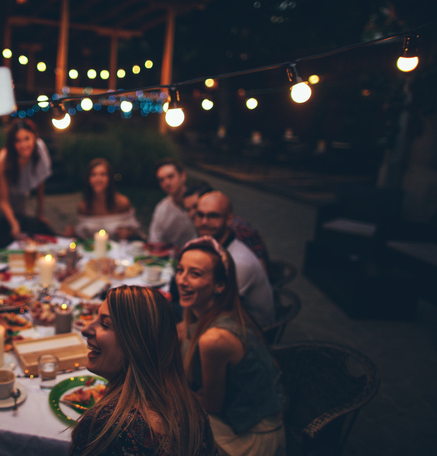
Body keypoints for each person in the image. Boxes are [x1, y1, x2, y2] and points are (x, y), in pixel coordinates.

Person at [71, 286, 217, 456]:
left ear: (137, 345)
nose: (85, 329)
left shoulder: (106, 425)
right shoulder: (191, 409)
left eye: (105, 324)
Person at [176, 237, 285, 455]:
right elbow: (177, 333)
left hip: (249, 438)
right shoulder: (204, 313)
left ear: (220, 285)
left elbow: (211, 405)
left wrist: (165, 386)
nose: (181, 280)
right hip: (235, 419)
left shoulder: (214, 339)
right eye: (180, 270)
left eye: (195, 274)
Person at [194, 191, 274, 328]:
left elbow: (212, 312)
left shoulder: (238, 261)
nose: (204, 222)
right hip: (225, 315)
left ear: (229, 219)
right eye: (200, 215)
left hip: (253, 331)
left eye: (213, 216)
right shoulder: (217, 245)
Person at [184, 183, 271, 273]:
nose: (192, 214)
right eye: (188, 210)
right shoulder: (205, 229)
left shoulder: (239, 230)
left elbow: (259, 269)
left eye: (213, 215)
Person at [0, 118, 54, 245]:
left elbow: (40, 182)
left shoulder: (40, 149)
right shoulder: (4, 159)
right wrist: (14, 224)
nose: (23, 145)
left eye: (27, 138)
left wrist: (39, 214)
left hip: (21, 197)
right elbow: (3, 200)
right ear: (12, 143)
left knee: (27, 229)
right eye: (18, 141)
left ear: (34, 137)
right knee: (6, 230)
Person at [67, 158, 142, 240]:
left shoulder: (122, 203)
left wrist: (128, 233)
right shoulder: (83, 206)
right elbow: (80, 235)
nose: (98, 179)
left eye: (102, 174)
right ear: (88, 179)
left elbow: (135, 230)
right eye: (93, 175)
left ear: (109, 178)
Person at [148, 158, 196, 248]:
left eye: (170, 176)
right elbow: (154, 241)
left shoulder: (200, 203)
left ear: (183, 176)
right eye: (161, 180)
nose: (166, 182)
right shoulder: (161, 208)